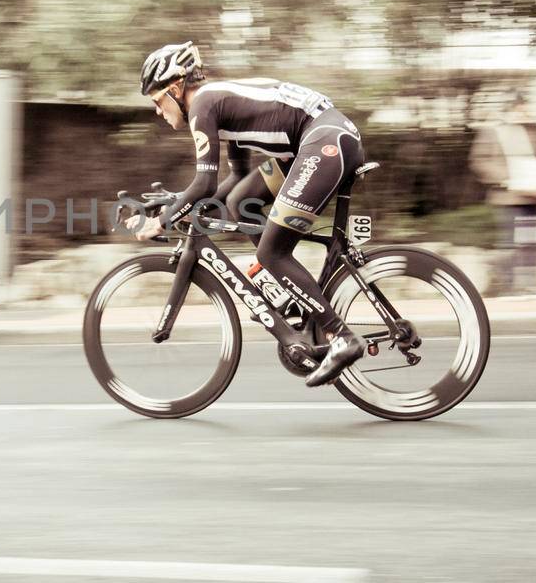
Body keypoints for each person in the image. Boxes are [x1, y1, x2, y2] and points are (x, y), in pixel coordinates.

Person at [129, 41, 366, 387]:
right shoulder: (219, 105)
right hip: (318, 142)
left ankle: (343, 337)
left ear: (176, 88)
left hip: (326, 142)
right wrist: (181, 204)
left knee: (271, 251)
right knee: (242, 200)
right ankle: (286, 293)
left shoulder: (203, 106)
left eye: (157, 100)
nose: (157, 110)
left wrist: (161, 222)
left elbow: (203, 184)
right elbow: (232, 180)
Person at [469, 100, 536, 295]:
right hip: (508, 196)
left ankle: (532, 285)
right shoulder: (493, 132)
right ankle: (510, 287)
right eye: (519, 109)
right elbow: (479, 161)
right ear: (509, 110)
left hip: (533, 196)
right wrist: (506, 178)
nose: (524, 113)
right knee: (510, 243)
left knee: (533, 243)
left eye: (526, 109)